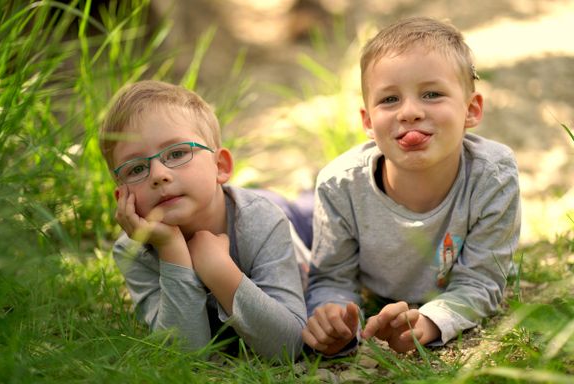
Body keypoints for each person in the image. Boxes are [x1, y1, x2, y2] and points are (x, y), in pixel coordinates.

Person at [302, 16, 521, 355]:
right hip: (324, 210)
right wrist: (335, 315)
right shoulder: (339, 185)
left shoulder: (493, 177)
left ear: (471, 110)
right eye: (389, 99)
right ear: (368, 122)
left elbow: (481, 281)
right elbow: (332, 278)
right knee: (287, 217)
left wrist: (430, 321)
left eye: (432, 94)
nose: (410, 112)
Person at [98, 80, 307, 360]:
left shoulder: (262, 220)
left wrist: (219, 270)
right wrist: (172, 251)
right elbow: (183, 356)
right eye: (136, 168)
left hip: (293, 220)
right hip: (231, 201)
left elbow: (288, 346)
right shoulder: (133, 251)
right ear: (121, 197)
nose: (158, 174)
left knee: (309, 207)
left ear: (220, 166)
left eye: (177, 153)